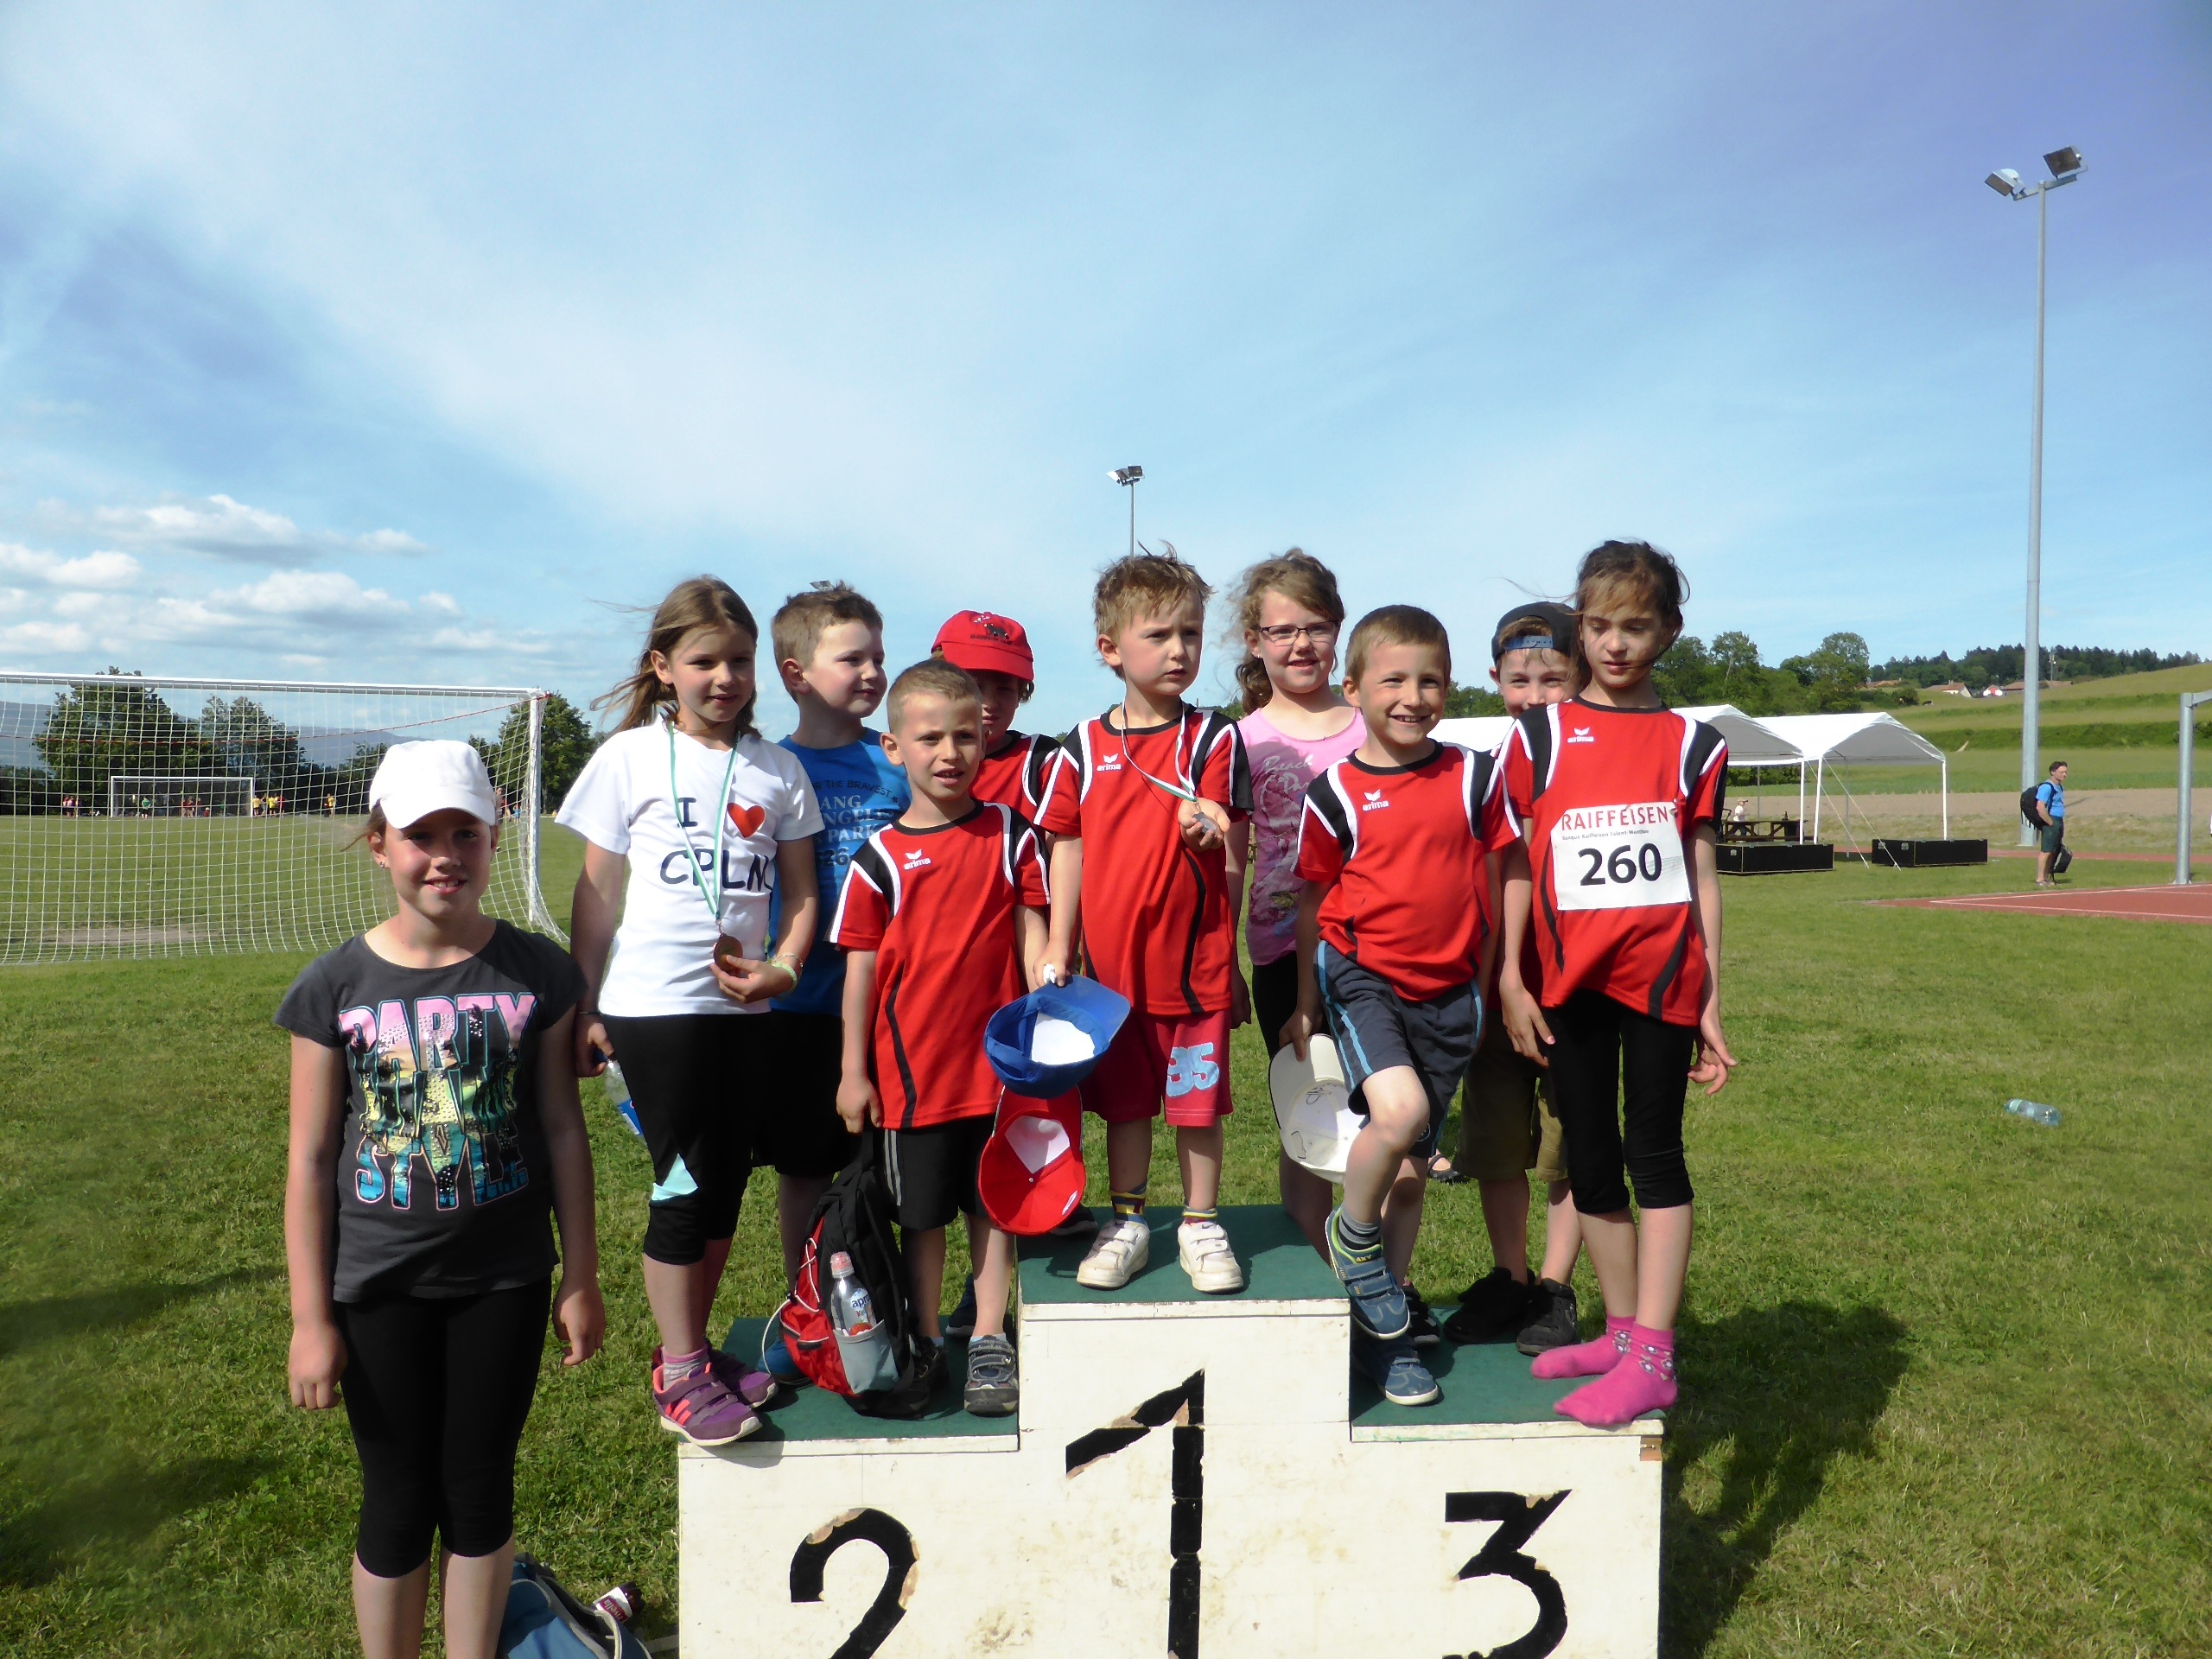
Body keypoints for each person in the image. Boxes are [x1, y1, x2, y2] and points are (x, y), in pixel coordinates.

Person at [278, 739, 605, 1659]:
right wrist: (311, 1318)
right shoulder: (335, 986)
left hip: (503, 1278)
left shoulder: (540, 973)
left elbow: (563, 1131)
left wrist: (580, 1277)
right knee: (396, 1499)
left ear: (496, 840)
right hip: (376, 1284)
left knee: (479, 1490)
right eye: (422, 835)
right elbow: (309, 1160)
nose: (445, 856)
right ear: (380, 843)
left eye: (467, 833)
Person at [558, 575, 821, 1446]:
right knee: (681, 1186)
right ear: (662, 667)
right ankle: (678, 1373)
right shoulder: (629, 757)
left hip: (744, 1013)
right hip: (652, 1010)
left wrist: (784, 968)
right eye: (704, 661)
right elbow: (597, 893)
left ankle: (694, 1354)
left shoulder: (778, 770)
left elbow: (801, 893)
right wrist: (584, 1003)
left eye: (740, 661)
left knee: (723, 1190)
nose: (725, 678)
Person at [1496, 540, 1735, 1427]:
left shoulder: (1694, 745)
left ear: (1669, 630)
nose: (1615, 643)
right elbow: (1517, 862)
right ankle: (1624, 1334)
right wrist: (1511, 976)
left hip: (1661, 980)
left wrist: (1711, 995)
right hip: (1568, 980)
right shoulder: (1539, 736)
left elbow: (1700, 873)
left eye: (1636, 626)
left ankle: (1655, 1357)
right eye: (1599, 625)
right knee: (1590, 1157)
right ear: (1580, 625)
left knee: (1653, 1152)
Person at [1284, 606, 1492, 1408]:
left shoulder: (1474, 776)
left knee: (1408, 1174)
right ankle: (1354, 1237)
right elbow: (1313, 901)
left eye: (1430, 680)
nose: (1413, 696)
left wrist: (1495, 983)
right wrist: (1306, 1001)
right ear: (1354, 689)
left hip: (1452, 991)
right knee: (1399, 1113)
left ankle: (1385, 1333)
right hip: (1363, 975)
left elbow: (1500, 878)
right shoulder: (1334, 791)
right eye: (1393, 680)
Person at [830, 659, 1049, 1415]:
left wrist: (1045, 974)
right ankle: (924, 1337)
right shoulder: (879, 861)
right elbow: (860, 976)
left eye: (965, 736)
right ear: (894, 748)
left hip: (997, 1075)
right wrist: (852, 1071)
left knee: (992, 1208)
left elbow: (1030, 924)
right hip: (912, 1084)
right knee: (920, 1219)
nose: (950, 752)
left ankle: (988, 1336)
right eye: (930, 738)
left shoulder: (1010, 833)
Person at [1039, 548, 1252, 1294]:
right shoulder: (1080, 747)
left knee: (1196, 1110)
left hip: (1195, 973)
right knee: (1125, 1109)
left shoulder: (1214, 737)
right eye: (1158, 635)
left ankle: (1200, 1223)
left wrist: (1207, 828)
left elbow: (1226, 834)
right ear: (1110, 649)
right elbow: (1067, 846)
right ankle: (1127, 1222)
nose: (1178, 650)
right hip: (1110, 982)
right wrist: (1059, 945)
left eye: (1190, 634)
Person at [931, 607, 1093, 1305]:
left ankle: (1044, 1199)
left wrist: (1060, 944)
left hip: (1027, 966)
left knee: (1036, 1096)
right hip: (946, 975)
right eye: (973, 681)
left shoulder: (1041, 762)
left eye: (1006, 686)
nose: (990, 699)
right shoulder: (922, 757)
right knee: (962, 1115)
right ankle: (970, 1279)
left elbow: (1066, 851)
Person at [1444, 602, 1584, 1354]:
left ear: (1580, 675)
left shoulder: (1593, 757)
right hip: (1498, 983)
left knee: (1571, 1145)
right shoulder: (1486, 769)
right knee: (1496, 1145)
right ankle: (1512, 1275)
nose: (1533, 696)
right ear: (1495, 679)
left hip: (1574, 989)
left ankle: (1555, 1287)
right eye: (1518, 681)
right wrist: (1497, 978)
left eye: (1552, 679)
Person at [764, 582, 904, 1298]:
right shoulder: (768, 768)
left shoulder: (898, 764)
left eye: (878, 656)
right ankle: (807, 1304)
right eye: (853, 659)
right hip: (800, 1007)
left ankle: (881, 1307)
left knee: (886, 1169)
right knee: (805, 1166)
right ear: (796, 674)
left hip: (892, 1006)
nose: (873, 672)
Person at [2032, 760, 2068, 887]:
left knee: (2053, 850)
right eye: (2061, 772)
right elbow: (2040, 806)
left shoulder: (2059, 787)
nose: (2064, 774)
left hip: (2058, 820)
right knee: (2046, 850)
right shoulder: (2047, 787)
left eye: (2065, 772)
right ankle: (2040, 878)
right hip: (2051, 821)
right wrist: (2050, 822)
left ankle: (2046, 877)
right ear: (2053, 772)